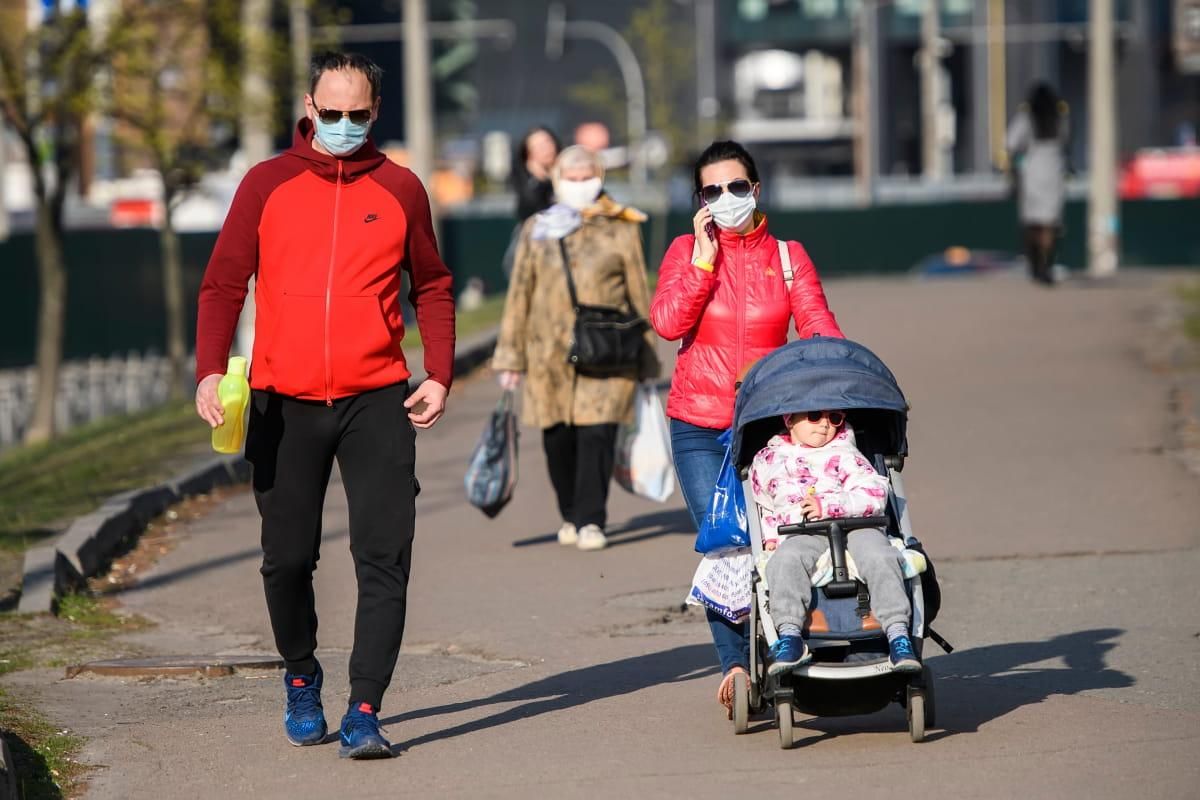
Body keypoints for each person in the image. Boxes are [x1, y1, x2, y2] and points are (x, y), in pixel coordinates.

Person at [193, 51, 455, 760]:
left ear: (376, 112)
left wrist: (439, 372)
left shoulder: (401, 188)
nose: (342, 125)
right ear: (309, 106)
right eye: (330, 113)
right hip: (285, 402)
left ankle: (366, 707)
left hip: (375, 399)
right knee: (286, 560)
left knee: (384, 558)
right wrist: (210, 372)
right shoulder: (266, 183)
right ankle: (301, 673)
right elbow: (222, 284)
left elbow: (432, 283)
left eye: (357, 114)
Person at [649, 140, 844, 717]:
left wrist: (840, 381)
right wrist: (704, 262)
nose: (727, 198)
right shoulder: (686, 250)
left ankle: (794, 639)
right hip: (697, 423)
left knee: (784, 538)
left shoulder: (787, 256)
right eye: (713, 191)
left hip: (764, 424)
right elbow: (667, 322)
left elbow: (818, 326)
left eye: (737, 187)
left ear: (756, 190)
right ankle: (735, 665)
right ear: (700, 202)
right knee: (727, 545)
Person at [493, 145, 660, 551]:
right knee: (557, 440)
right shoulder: (539, 228)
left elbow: (639, 288)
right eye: (573, 177)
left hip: (607, 349)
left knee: (598, 435)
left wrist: (647, 354)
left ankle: (591, 519)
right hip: (548, 355)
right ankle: (569, 511)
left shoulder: (622, 225)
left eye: (589, 175)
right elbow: (520, 294)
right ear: (557, 180)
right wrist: (510, 355)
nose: (581, 184)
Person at [751, 409, 920, 674]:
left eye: (835, 418)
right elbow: (766, 505)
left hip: (856, 526)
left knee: (881, 557)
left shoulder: (845, 452)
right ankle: (789, 635)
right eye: (815, 416)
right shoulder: (767, 460)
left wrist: (831, 505)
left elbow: (875, 494)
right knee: (783, 562)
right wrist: (771, 538)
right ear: (789, 419)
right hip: (801, 531)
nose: (826, 425)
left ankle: (898, 632)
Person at [1006, 83, 1070, 285]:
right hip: (1054, 171)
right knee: (1049, 223)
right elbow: (1066, 142)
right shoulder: (1060, 119)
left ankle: (1035, 265)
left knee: (1033, 223)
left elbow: (1010, 144)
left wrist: (1013, 171)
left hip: (1032, 171)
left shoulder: (1026, 120)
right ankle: (1046, 265)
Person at [502, 126, 561, 278]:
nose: (546, 149)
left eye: (548, 142)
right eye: (538, 146)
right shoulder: (527, 182)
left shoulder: (568, 174)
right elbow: (528, 210)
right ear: (528, 154)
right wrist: (539, 180)